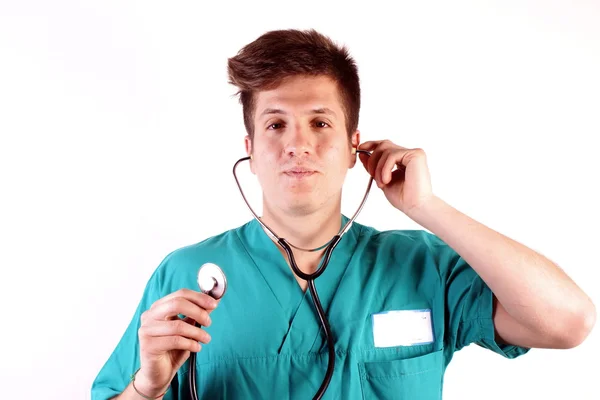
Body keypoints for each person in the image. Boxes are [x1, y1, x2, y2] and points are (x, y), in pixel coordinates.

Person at [92, 29, 596, 400]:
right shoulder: (184, 276)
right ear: (249, 148)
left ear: (355, 146)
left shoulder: (423, 269)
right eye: (275, 125)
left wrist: (426, 207)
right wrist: (147, 388)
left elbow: (568, 322)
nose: (297, 145)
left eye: (320, 122)